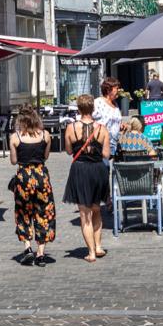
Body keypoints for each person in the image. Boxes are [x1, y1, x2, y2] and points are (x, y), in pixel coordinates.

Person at [63, 95, 110, 263]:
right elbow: (106, 154)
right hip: (98, 170)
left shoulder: (70, 128)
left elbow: (69, 151)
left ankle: (90, 252)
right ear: (93, 109)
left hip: (80, 170)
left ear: (79, 109)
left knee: (85, 214)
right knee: (97, 210)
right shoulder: (102, 128)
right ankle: (98, 246)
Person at [9, 104, 56, 267]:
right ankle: (41, 253)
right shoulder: (45, 135)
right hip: (41, 175)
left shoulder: (15, 137)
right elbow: (46, 156)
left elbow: (14, 161)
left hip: (24, 177)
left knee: (23, 213)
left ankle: (28, 248)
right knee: (44, 212)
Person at [92, 77, 124, 157]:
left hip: (113, 145)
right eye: (116, 88)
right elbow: (89, 120)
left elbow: (114, 121)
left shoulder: (115, 104)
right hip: (100, 145)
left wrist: (121, 125)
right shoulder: (98, 102)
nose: (118, 91)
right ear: (108, 90)